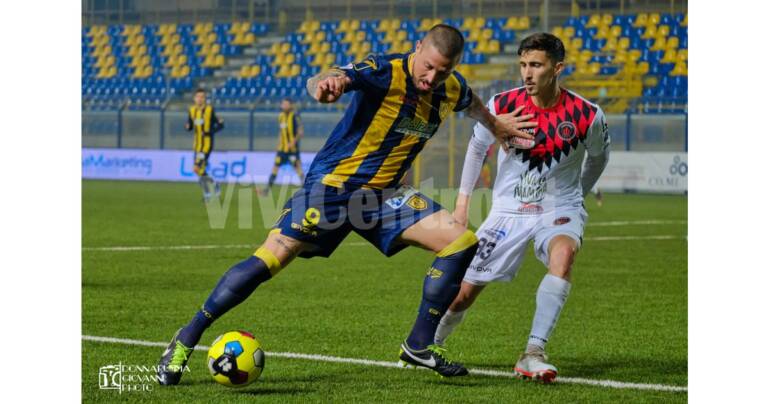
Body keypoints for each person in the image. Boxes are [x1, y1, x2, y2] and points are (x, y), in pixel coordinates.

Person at [157, 24, 537, 385]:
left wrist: (496, 124)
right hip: (332, 188)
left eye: (442, 72)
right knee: (270, 260)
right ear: (417, 47)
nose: (431, 79)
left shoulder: (451, 88)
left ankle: (419, 345)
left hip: (386, 196)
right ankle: (187, 338)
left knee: (460, 242)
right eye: (428, 68)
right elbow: (329, 77)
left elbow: (472, 105)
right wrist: (327, 84)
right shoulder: (383, 70)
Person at [432, 32, 610, 383]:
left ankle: (533, 352)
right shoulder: (502, 105)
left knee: (564, 256)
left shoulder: (587, 115)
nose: (527, 73)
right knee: (464, 292)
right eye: (523, 65)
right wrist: (463, 205)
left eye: (536, 66)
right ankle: (430, 343)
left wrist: (578, 194)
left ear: (557, 68)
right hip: (508, 210)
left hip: (559, 207)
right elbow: (476, 149)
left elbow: (599, 159)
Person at [186, 88, 224, 202]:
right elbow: (190, 125)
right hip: (197, 145)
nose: (200, 99)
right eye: (198, 96)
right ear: (194, 98)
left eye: (202, 97)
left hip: (206, 145)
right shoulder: (191, 110)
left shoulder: (209, 110)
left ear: (205, 99)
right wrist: (187, 127)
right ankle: (213, 187)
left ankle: (208, 192)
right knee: (199, 170)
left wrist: (209, 132)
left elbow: (220, 125)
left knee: (196, 168)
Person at [261, 98, 305, 195]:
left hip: (292, 150)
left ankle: (306, 189)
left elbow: (300, 131)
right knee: (275, 167)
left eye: (286, 104)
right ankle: (266, 190)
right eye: (283, 104)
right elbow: (281, 132)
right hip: (282, 150)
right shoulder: (280, 116)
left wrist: (293, 142)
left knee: (297, 168)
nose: (284, 106)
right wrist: (278, 144)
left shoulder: (295, 116)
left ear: (291, 105)